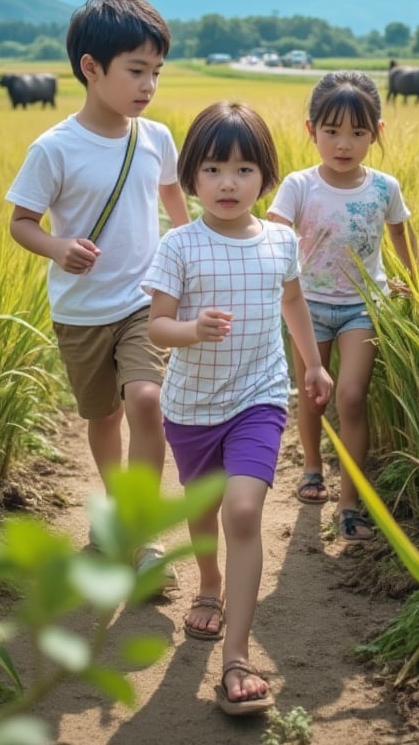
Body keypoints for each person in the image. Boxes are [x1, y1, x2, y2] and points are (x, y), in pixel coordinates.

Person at [142, 101, 332, 716]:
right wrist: (191, 329)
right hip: (192, 406)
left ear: (266, 177)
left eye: (245, 169)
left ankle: (237, 655)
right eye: (215, 168)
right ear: (191, 176)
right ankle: (209, 584)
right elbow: (156, 328)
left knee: (243, 511)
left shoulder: (279, 239)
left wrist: (313, 363)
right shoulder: (180, 244)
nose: (229, 182)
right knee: (204, 510)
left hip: (259, 395)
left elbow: (294, 301)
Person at [5, 0, 190, 583]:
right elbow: (21, 223)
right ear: (91, 68)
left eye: (156, 72)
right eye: (136, 70)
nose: (148, 85)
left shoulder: (156, 137)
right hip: (81, 309)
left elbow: (171, 193)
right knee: (103, 415)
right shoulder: (54, 148)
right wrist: (58, 247)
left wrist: (191, 246)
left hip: (142, 300)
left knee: (145, 400)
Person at [268, 70, 417, 543]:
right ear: (311, 129)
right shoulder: (299, 185)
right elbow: (273, 232)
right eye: (331, 131)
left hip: (362, 307)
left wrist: (416, 280)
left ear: (377, 132)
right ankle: (312, 466)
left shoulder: (384, 187)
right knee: (314, 394)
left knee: (351, 396)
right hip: (307, 306)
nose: (343, 143)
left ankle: (351, 503)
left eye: (357, 132)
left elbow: (400, 233)